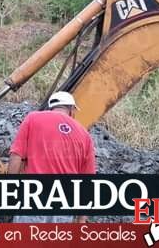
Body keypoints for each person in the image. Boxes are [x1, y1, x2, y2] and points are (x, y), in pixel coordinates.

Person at [8, 91, 96, 224]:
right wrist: (81, 219)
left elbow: (16, 156)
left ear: (51, 107)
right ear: (71, 110)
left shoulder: (33, 119)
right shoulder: (85, 136)